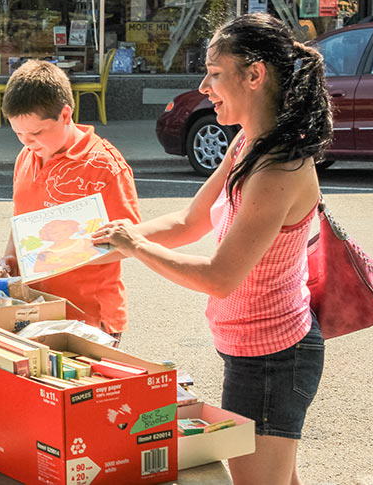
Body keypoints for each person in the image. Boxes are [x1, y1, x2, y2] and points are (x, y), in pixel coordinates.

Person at [92, 13, 332, 484]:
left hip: (273, 359)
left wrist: (136, 247)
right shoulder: (248, 144)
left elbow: (220, 276)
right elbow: (189, 221)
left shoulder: (280, 167)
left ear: (255, 75)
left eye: (215, 73)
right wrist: (110, 239)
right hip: (253, 352)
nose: (204, 86)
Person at [0, 60, 141, 345]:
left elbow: (133, 242)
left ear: (64, 114)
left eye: (35, 133)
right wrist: (9, 258)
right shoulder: (27, 156)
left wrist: (62, 253)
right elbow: (21, 219)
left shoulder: (105, 166)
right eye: (18, 134)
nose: (27, 143)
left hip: (88, 317)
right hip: (37, 310)